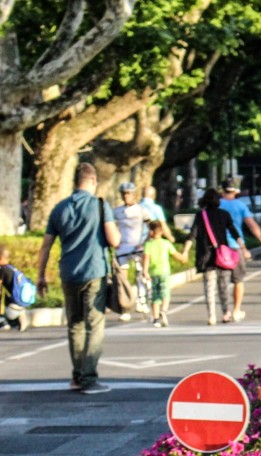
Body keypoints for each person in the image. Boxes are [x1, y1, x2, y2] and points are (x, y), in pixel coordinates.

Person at [35, 162, 121, 394]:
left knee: (75, 325)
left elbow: (45, 246)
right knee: (94, 324)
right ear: (93, 181)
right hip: (94, 271)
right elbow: (114, 240)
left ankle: (76, 375)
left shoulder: (59, 208)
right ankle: (89, 378)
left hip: (69, 273)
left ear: (76, 182)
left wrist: (41, 276)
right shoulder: (100, 206)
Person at [191, 187, 241, 326]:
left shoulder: (201, 215)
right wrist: (242, 246)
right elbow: (233, 230)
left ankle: (211, 316)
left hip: (206, 256)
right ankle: (226, 313)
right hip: (222, 256)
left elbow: (193, 234)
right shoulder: (224, 214)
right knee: (223, 285)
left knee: (209, 287)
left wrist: (185, 249)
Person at [218, 177, 259, 322]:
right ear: (235, 191)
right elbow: (251, 224)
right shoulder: (241, 206)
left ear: (222, 190)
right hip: (236, 247)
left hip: (220, 248)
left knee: (222, 281)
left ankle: (225, 311)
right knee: (238, 280)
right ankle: (236, 310)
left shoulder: (217, 205)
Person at [114, 182, 149, 320]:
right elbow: (111, 227)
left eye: (128, 193)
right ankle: (125, 306)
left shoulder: (141, 210)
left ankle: (142, 301)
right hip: (122, 248)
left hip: (137, 247)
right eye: (124, 193)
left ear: (134, 195)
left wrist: (144, 243)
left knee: (140, 275)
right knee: (122, 278)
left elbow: (150, 227)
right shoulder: (116, 211)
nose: (126, 196)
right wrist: (114, 242)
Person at [143, 219, 187, 327]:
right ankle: (163, 310)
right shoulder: (165, 243)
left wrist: (145, 271)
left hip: (153, 273)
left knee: (155, 295)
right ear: (162, 232)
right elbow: (176, 254)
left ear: (151, 232)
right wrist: (183, 258)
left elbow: (146, 259)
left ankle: (156, 318)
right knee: (165, 293)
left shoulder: (148, 244)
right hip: (164, 272)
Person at [0, 244, 32, 331]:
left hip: (13, 305)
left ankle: (7, 322)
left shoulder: (2, 270)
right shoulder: (12, 268)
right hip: (20, 301)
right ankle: (19, 319)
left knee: (6, 305)